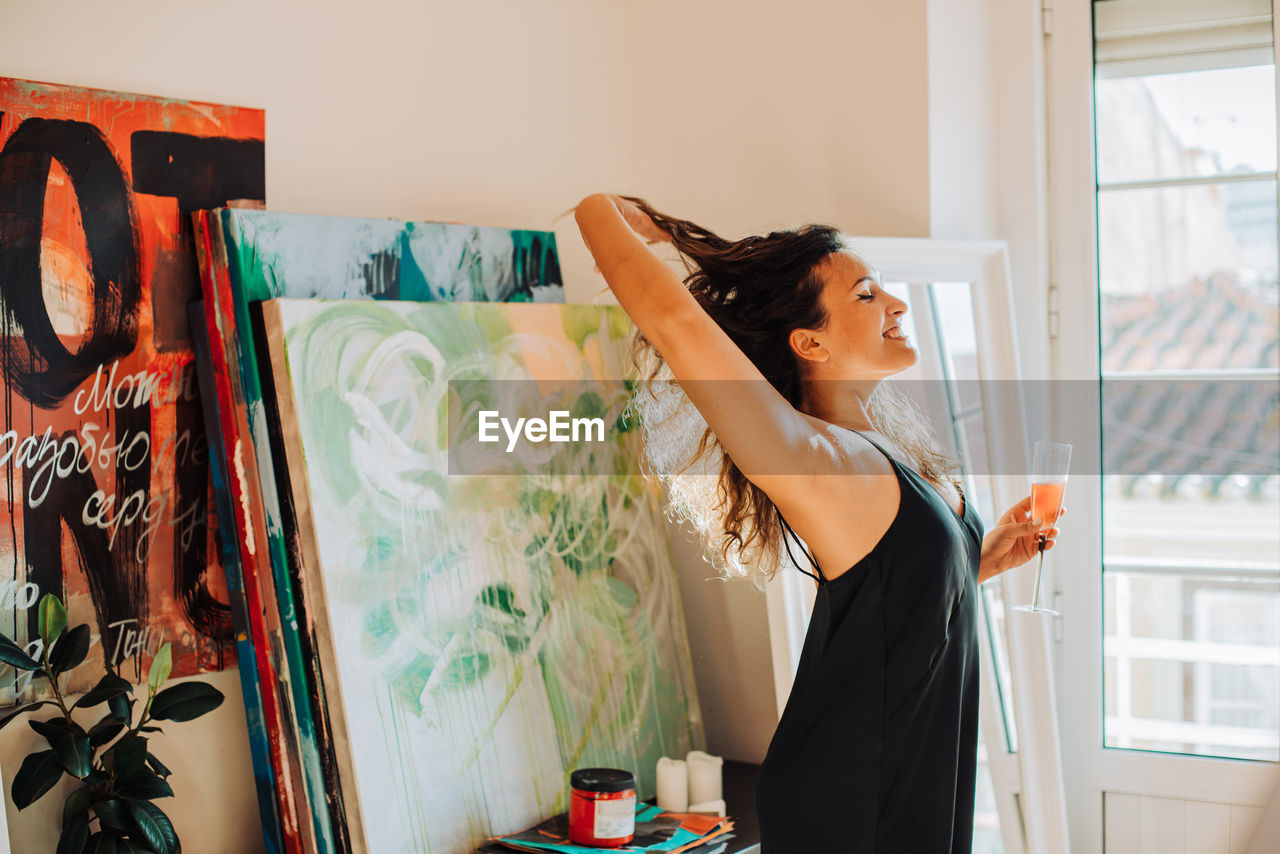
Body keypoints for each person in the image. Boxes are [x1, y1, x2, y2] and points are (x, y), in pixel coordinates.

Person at [574, 193, 1062, 853]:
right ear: (809, 341)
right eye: (866, 296)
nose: (896, 305)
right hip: (851, 807)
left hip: (904, 789)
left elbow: (894, 599)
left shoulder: (885, 451)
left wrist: (976, 560)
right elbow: (672, 320)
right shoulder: (816, 458)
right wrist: (601, 211)